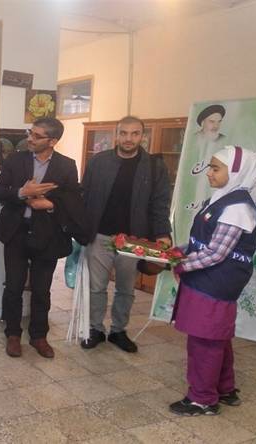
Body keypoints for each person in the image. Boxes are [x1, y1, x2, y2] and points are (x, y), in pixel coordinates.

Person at [169, 146, 256, 416]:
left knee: (204, 341)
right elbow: (203, 241)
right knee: (216, 337)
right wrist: (178, 251)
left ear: (236, 171)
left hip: (215, 284)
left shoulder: (238, 209)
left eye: (215, 168)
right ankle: (225, 388)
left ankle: (202, 400)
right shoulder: (224, 198)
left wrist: (180, 263)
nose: (208, 173)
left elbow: (216, 253)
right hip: (207, 279)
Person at [0, 117, 87, 358]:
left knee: (42, 289)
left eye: (36, 136)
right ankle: (13, 334)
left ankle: (38, 336)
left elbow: (74, 201)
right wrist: (22, 192)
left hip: (48, 234)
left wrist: (50, 204)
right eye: (30, 133)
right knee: (13, 286)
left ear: (52, 141)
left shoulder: (66, 165)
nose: (30, 139)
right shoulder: (15, 160)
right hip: (16, 231)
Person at [81, 115, 172, 353]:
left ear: (142, 136)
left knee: (125, 289)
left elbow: (160, 203)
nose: (128, 138)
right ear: (116, 135)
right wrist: (79, 230)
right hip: (99, 236)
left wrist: (162, 233)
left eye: (134, 133)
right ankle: (95, 328)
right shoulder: (98, 162)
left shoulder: (154, 166)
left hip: (134, 239)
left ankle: (118, 330)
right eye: (123, 133)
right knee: (96, 288)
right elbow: (84, 196)